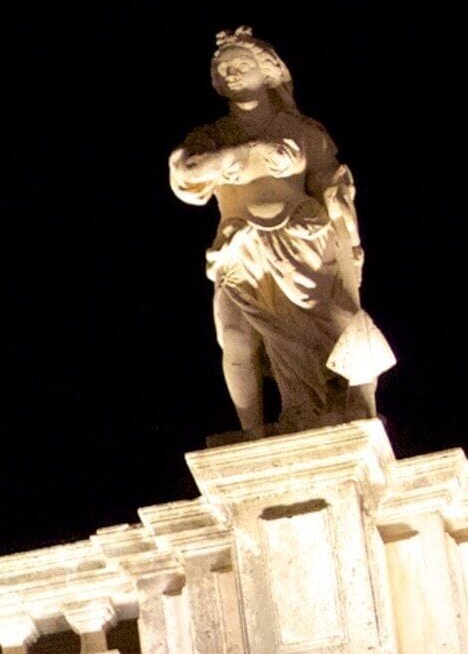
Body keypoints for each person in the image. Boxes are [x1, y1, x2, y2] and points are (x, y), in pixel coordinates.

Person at [168, 28, 393, 434]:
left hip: (301, 242)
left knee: (340, 320)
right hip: (239, 248)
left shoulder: (304, 131)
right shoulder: (214, 136)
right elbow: (185, 174)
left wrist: (351, 241)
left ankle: (363, 403)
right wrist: (247, 153)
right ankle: (252, 431)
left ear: (267, 72)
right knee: (236, 338)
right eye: (224, 69)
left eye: (241, 65)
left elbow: (333, 188)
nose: (232, 73)